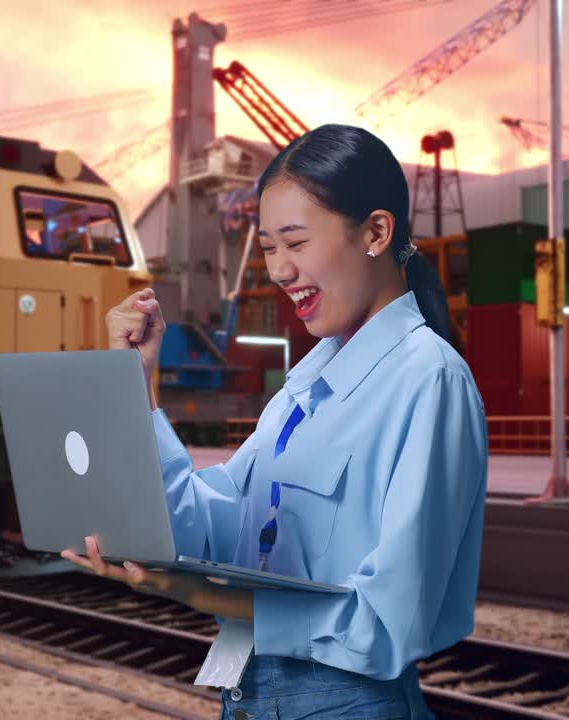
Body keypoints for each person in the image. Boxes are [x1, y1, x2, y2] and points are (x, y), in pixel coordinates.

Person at [61, 123, 487, 719]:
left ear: (376, 232)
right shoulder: (301, 390)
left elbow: (389, 622)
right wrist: (137, 385)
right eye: (268, 248)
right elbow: (213, 531)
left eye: (296, 242)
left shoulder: (428, 381)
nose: (280, 271)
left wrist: (195, 592)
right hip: (249, 696)